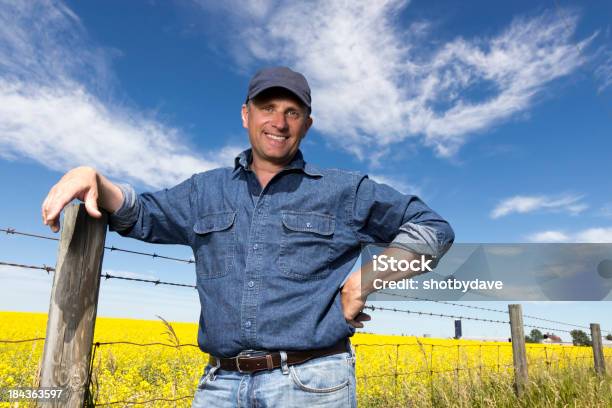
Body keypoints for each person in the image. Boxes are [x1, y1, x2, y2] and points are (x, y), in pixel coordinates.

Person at [41, 66, 454, 407]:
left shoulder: (344, 190)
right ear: (246, 114)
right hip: (220, 385)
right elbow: (142, 215)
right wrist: (92, 176)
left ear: (307, 125)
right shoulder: (204, 191)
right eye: (268, 107)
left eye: (293, 113)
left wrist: (364, 281)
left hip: (311, 384)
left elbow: (433, 230)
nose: (279, 121)